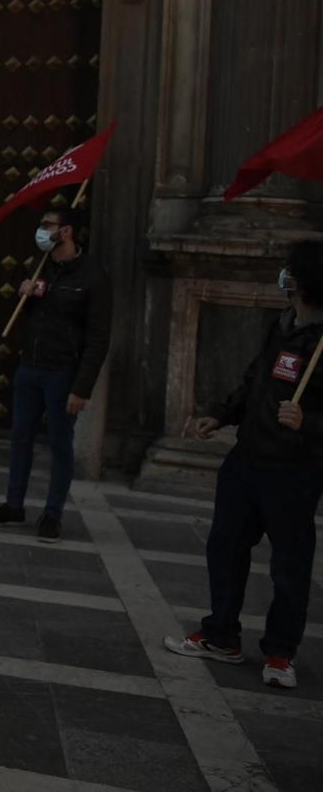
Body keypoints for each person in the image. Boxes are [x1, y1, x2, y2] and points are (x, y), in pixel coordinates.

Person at [166, 242, 323, 691]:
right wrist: (221, 414)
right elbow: (255, 381)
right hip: (247, 459)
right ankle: (220, 635)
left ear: (305, 280)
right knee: (226, 547)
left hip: (294, 470)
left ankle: (279, 652)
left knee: (290, 566)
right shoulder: (283, 325)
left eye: (289, 271)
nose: (283, 276)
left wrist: (308, 422)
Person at [0, 205, 112, 543]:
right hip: (29, 368)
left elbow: (98, 338)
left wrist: (82, 387)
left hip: (63, 372)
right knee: (20, 438)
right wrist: (24, 294)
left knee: (60, 445)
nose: (41, 230)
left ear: (66, 231)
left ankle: (52, 514)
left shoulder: (92, 277)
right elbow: (29, 317)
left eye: (47, 224)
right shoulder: (42, 268)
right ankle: (13, 504)